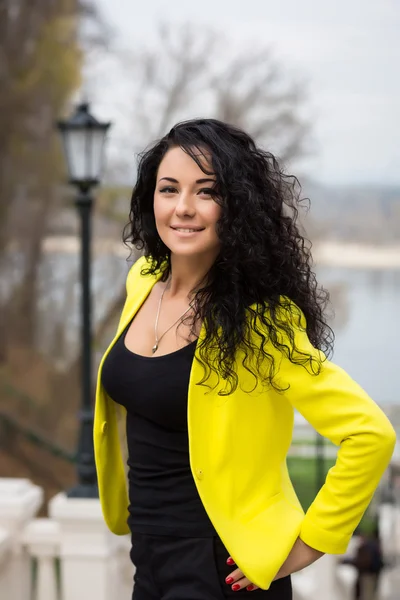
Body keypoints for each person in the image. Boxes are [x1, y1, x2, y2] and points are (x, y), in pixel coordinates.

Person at [94, 118, 396, 599]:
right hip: (148, 557)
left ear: (236, 206)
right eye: (168, 189)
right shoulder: (142, 282)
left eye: (206, 192)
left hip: (220, 569)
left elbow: (370, 435)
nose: (184, 208)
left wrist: (306, 545)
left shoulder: (261, 323)